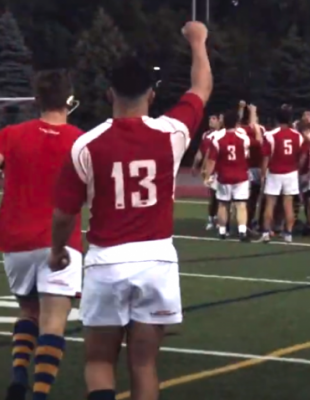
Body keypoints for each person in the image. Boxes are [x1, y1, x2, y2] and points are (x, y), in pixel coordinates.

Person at [50, 21, 211, 400]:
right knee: (144, 364)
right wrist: (198, 41)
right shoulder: (171, 133)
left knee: (99, 362)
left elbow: (63, 213)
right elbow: (201, 88)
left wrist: (58, 251)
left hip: (106, 261)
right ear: (152, 95)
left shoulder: (86, 145)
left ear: (109, 93)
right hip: (156, 260)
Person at [0, 70, 83, 400]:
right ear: (68, 99)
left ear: (36, 100)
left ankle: (19, 373)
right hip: (60, 240)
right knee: (53, 322)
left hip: (16, 237)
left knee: (28, 312)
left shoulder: (11, 134)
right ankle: (40, 393)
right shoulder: (79, 139)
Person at [203, 110, 251, 242]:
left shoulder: (217, 138)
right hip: (240, 175)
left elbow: (212, 160)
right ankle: (242, 231)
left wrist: (207, 176)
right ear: (236, 123)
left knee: (223, 204)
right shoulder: (244, 137)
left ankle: (222, 231)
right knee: (241, 205)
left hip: (224, 176)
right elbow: (247, 155)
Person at [259, 107, 304, 243]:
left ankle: (266, 233)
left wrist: (262, 174)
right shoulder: (298, 135)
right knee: (288, 204)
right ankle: (288, 234)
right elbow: (301, 156)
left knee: (270, 203)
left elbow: (266, 157)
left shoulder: (270, 135)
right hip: (291, 172)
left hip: (274, 172)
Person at [192, 114, 222, 230]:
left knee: (222, 197)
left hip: (220, 169)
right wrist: (195, 165)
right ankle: (211, 218)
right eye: (210, 118)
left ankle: (220, 220)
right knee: (213, 196)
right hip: (211, 170)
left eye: (214, 118)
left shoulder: (222, 134)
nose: (210, 120)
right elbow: (202, 152)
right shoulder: (206, 135)